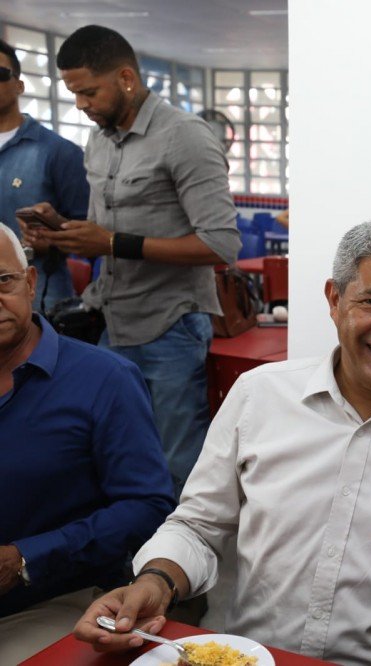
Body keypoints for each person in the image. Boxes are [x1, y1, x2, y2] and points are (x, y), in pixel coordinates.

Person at [72, 218, 371, 665]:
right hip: (248, 655)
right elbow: (198, 526)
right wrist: (156, 580)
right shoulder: (260, 394)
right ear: (334, 300)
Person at [23, 25, 241, 495]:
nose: (80, 104)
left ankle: (177, 565)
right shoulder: (99, 141)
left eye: (88, 92)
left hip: (170, 326)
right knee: (111, 454)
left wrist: (112, 243)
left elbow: (222, 244)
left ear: (125, 78)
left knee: (174, 463)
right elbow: (102, 233)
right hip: (110, 322)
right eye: (72, 94)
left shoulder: (185, 137)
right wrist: (58, 233)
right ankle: (126, 557)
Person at [0, 224, 174, 665]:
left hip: (56, 599)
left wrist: (25, 559)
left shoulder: (104, 380)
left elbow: (148, 505)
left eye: (2, 281)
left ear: (32, 282)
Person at [0, 38, 89, 313]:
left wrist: (53, 241)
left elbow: (90, 235)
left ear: (19, 85)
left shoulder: (58, 152)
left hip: (39, 299)